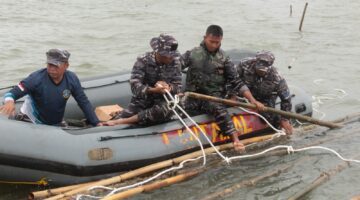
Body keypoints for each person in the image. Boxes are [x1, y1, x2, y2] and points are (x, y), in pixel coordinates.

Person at [181, 25, 262, 151]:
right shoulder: (192, 54)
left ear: (221, 40)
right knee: (179, 109)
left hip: (213, 98)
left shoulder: (224, 58)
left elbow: (237, 81)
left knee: (219, 108)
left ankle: (236, 140)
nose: (213, 45)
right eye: (211, 42)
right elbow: (174, 70)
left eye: (217, 42)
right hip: (193, 96)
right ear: (205, 38)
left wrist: (252, 100)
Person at [0, 49, 101, 127]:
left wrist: (96, 123)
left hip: (55, 124)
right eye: (49, 64)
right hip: (31, 121)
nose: (52, 69)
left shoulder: (72, 79)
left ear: (66, 65)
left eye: (56, 65)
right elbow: (12, 93)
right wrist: (9, 101)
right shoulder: (36, 79)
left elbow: (83, 101)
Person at [103, 33, 182, 126]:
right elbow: (134, 86)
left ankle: (126, 121)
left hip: (164, 101)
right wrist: (153, 90)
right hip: (143, 100)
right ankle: (119, 120)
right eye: (169, 55)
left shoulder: (175, 62)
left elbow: (178, 86)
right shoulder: (143, 61)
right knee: (117, 121)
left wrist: (168, 88)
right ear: (159, 53)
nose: (171, 57)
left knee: (161, 110)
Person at [237, 50, 293, 134]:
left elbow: (286, 99)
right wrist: (233, 95)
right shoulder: (244, 65)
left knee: (269, 117)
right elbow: (233, 80)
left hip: (265, 98)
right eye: (258, 69)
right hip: (244, 93)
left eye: (263, 71)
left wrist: (284, 119)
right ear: (255, 61)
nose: (260, 72)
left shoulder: (276, 77)